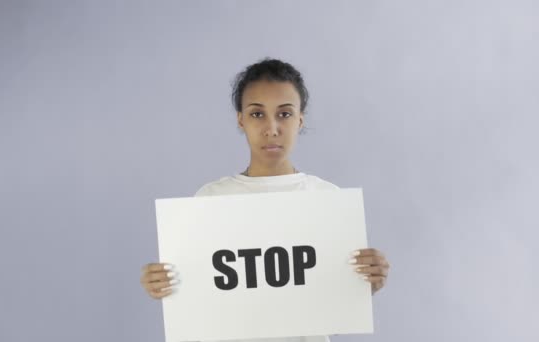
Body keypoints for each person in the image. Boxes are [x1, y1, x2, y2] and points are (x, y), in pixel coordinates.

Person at [140, 58, 390, 342]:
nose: (272, 128)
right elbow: (198, 294)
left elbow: (330, 302)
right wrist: (164, 282)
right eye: (257, 114)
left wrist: (364, 282)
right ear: (241, 119)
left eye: (284, 114)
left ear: (300, 119)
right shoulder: (211, 199)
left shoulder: (326, 200)